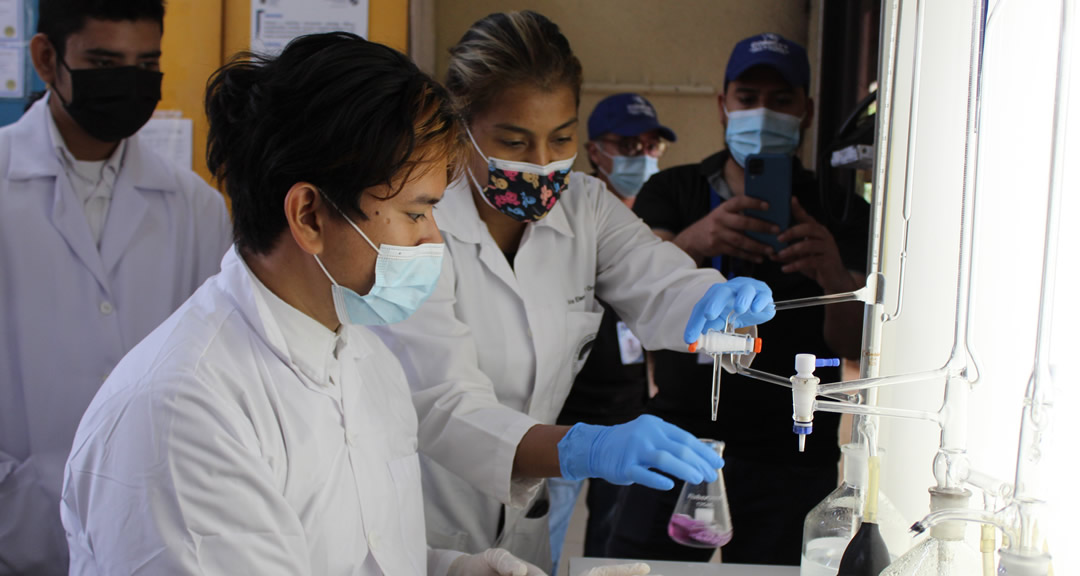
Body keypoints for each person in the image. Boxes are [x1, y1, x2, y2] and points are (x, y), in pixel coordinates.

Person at [58, 32, 560, 576]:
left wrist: (448, 570)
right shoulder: (187, 413)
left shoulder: (363, 360)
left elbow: (358, 555)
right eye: (417, 214)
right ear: (309, 217)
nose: (434, 241)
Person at [372, 11, 775, 573]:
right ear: (460, 126)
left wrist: (710, 300)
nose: (541, 165)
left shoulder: (585, 208)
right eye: (514, 141)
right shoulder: (420, 220)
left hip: (522, 524)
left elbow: (656, 275)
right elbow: (443, 403)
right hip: (419, 519)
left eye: (560, 138)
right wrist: (585, 448)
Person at [606, 33, 871, 565]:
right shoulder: (675, 192)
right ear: (722, 105)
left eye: (781, 101)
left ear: (807, 111)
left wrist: (832, 271)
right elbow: (634, 298)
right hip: (677, 437)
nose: (763, 113)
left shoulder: (838, 208)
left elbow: (855, 346)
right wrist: (694, 241)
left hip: (794, 452)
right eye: (748, 98)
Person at [0, 1, 231, 572]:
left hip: (146, 530)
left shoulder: (194, 207)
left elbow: (213, 372)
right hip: (15, 524)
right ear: (46, 58)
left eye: (143, 64)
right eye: (104, 62)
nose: (127, 82)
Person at [547, 92, 676, 568]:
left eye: (650, 145)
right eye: (625, 144)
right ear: (594, 150)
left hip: (625, 413)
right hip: (562, 417)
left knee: (610, 547)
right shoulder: (566, 218)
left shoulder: (654, 223)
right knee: (544, 538)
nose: (640, 156)